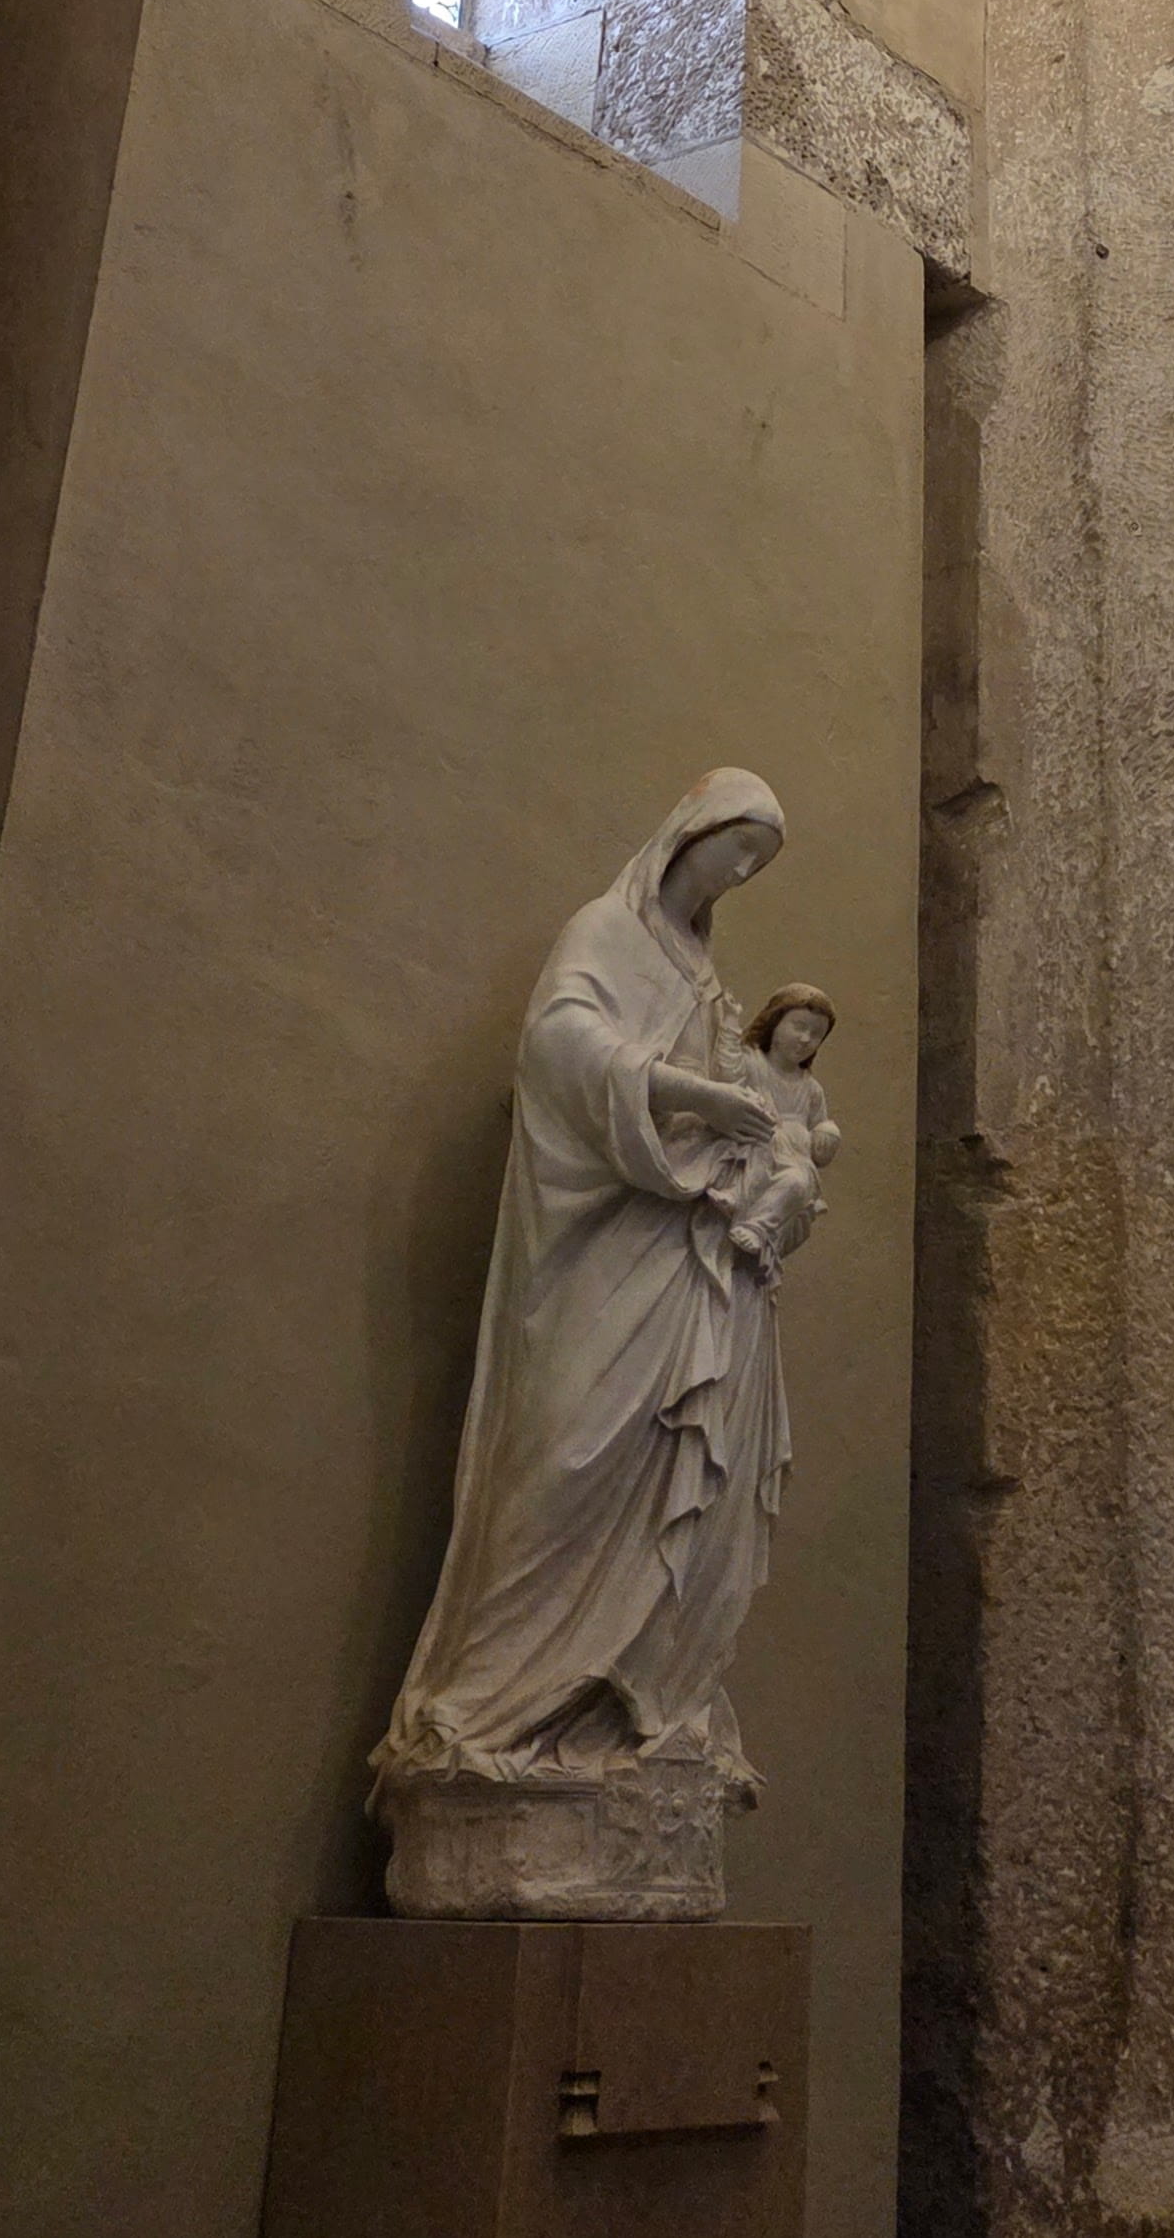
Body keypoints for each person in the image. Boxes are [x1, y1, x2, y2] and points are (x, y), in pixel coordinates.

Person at [374, 771, 800, 1821]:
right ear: (688, 834)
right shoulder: (605, 935)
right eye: (734, 849)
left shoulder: (700, 970)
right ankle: (485, 1709)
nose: (740, 875)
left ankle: (626, 1713)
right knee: (568, 1449)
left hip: (686, 1244)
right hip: (601, 1246)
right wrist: (686, 1091)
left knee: (676, 1480)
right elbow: (560, 1045)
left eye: (758, 864)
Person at [699, 984, 840, 1283]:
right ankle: (736, 1199)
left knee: (798, 1182)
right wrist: (729, 1024)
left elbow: (820, 1129)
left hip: (795, 1162)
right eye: (799, 1027)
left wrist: (827, 1136)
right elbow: (726, 1075)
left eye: (816, 1035)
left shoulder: (811, 1088)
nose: (805, 1039)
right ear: (775, 1022)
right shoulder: (754, 1064)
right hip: (755, 1148)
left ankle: (757, 1227)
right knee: (758, 1159)